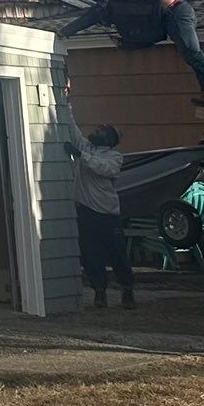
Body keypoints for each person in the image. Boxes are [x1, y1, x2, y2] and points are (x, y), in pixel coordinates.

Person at [60, 0, 204, 110]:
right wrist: (127, 44)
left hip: (175, 10)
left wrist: (66, 32)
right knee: (188, 54)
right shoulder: (132, 15)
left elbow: (90, 16)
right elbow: (152, 38)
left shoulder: (111, 5)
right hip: (167, 18)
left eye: (105, 21)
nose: (108, 23)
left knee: (191, 50)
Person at [70, 123, 134, 308]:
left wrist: (80, 155)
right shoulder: (87, 148)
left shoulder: (114, 157)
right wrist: (66, 103)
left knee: (117, 254)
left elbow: (103, 169)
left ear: (109, 139)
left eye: (101, 131)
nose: (95, 131)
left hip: (107, 214)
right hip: (86, 211)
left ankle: (127, 288)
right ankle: (99, 292)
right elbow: (74, 131)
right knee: (90, 254)